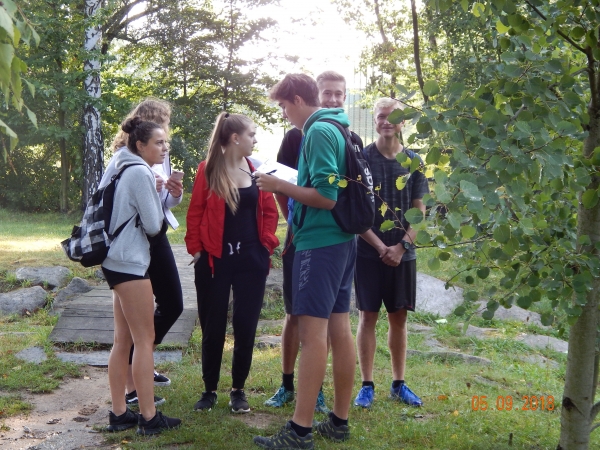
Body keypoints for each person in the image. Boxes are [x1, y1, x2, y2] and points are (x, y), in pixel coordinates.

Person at [253, 74, 356, 449]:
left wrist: (278, 185)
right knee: (339, 330)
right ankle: (339, 422)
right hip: (343, 241)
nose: (285, 115)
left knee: (313, 338)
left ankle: (300, 430)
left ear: (296, 99)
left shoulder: (317, 132)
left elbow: (326, 196)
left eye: (283, 107)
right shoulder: (339, 127)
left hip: (320, 242)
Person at [185, 112, 279, 414]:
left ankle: (238, 390)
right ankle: (209, 390)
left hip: (251, 261)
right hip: (214, 261)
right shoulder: (208, 170)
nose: (255, 139)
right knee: (213, 327)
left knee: (245, 325)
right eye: (251, 134)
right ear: (235, 138)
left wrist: (266, 246)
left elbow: (269, 212)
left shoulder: (256, 171)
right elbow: (195, 213)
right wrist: (196, 250)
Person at [102, 98, 184, 408]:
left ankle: (122, 407)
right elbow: (151, 222)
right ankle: (142, 404)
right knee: (138, 336)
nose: (166, 141)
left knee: (128, 338)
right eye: (160, 132)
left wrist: (170, 193)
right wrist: (153, 190)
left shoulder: (139, 160)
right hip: (133, 248)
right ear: (143, 135)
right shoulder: (132, 164)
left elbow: (158, 208)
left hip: (124, 252)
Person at [353, 97, 429, 409]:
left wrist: (401, 247)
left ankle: (399, 383)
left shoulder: (413, 161)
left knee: (398, 319)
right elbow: (355, 214)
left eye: (392, 117)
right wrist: (381, 246)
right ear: (375, 121)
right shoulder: (362, 160)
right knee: (367, 316)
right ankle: (367, 385)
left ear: (403, 123)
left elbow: (419, 213)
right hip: (368, 252)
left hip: (403, 255)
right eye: (381, 116)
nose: (386, 122)